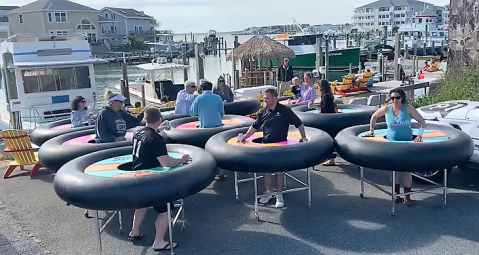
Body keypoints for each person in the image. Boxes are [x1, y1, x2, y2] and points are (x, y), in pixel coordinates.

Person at [128, 108, 189, 251]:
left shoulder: (138, 133)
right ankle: (159, 241)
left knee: (142, 205)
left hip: (137, 178)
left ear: (145, 119)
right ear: (159, 119)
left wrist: (157, 130)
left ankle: (134, 231)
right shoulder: (157, 139)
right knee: (165, 210)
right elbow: (166, 162)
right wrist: (181, 160)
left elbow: (148, 140)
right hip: (152, 181)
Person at [238, 89, 308, 208]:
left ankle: (279, 194)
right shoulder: (263, 111)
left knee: (279, 171)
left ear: (274, 99)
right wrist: (244, 136)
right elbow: (255, 126)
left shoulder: (284, 110)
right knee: (266, 171)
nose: (264, 100)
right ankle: (269, 192)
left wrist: (304, 138)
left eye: (267, 98)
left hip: (280, 146)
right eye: (264, 98)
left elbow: (299, 123)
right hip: (267, 145)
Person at [366, 88, 426, 206]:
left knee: (406, 171)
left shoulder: (408, 108)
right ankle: (396, 193)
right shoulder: (387, 109)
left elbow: (422, 121)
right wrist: (371, 130)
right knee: (395, 170)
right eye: (392, 98)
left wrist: (420, 135)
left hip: (406, 143)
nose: (395, 100)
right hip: (391, 144)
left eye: (397, 98)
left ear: (402, 98)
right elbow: (374, 116)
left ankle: (407, 196)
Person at [309, 80, 338, 166]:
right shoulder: (330, 95)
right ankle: (331, 158)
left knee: (328, 139)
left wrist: (316, 109)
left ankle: (331, 159)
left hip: (326, 121)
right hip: (332, 120)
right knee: (332, 138)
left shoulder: (325, 96)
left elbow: (324, 108)